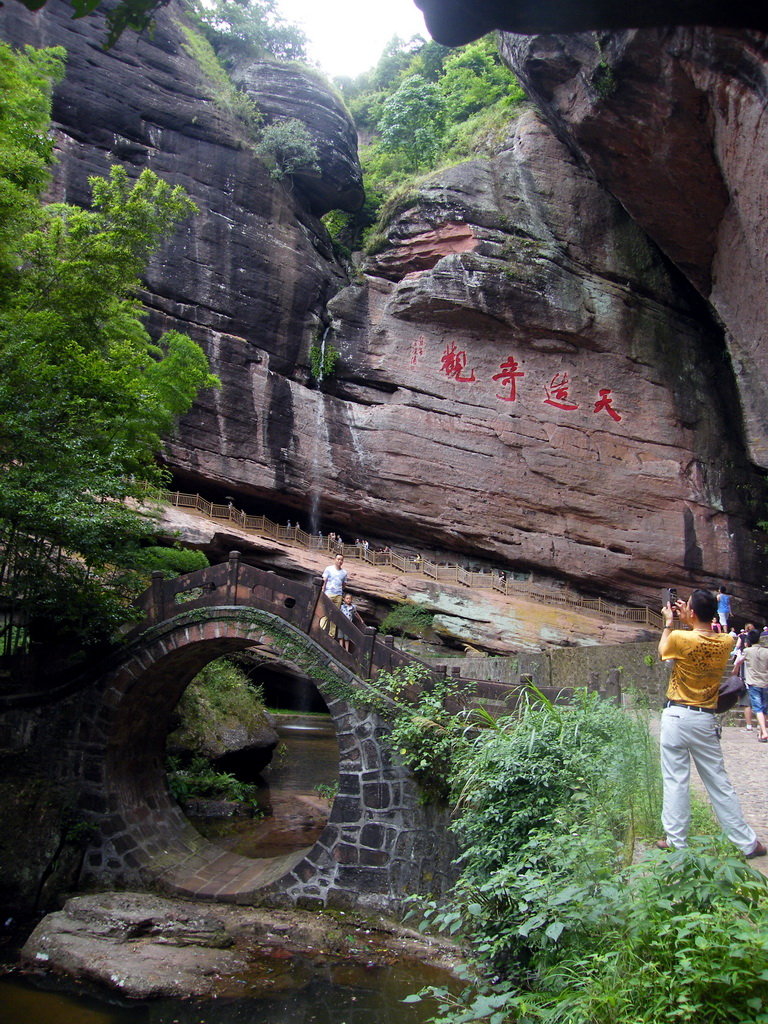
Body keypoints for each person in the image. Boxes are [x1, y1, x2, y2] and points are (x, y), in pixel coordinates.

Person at [657, 588, 766, 858]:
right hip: (704, 718)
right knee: (719, 782)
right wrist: (691, 618)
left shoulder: (680, 636)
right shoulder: (726, 643)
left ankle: (676, 841)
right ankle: (747, 843)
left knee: (675, 780)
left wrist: (670, 622)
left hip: (675, 715)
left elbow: (663, 650)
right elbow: (703, 634)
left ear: (690, 613)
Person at [732, 628, 768, 742]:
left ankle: (764, 732)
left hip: (753, 683)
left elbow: (738, 662)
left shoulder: (747, 651)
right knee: (765, 709)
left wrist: (735, 670)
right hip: (765, 682)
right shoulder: (766, 651)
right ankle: (761, 732)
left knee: (758, 708)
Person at [321, 553, 348, 637]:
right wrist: (322, 591)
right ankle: (320, 630)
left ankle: (331, 635)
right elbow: (324, 581)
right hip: (328, 593)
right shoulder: (328, 569)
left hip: (338, 595)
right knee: (325, 612)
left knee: (334, 615)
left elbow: (344, 584)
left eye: (341, 560)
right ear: (335, 559)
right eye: (338, 559)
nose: (340, 561)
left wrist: (340, 591)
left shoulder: (344, 572)